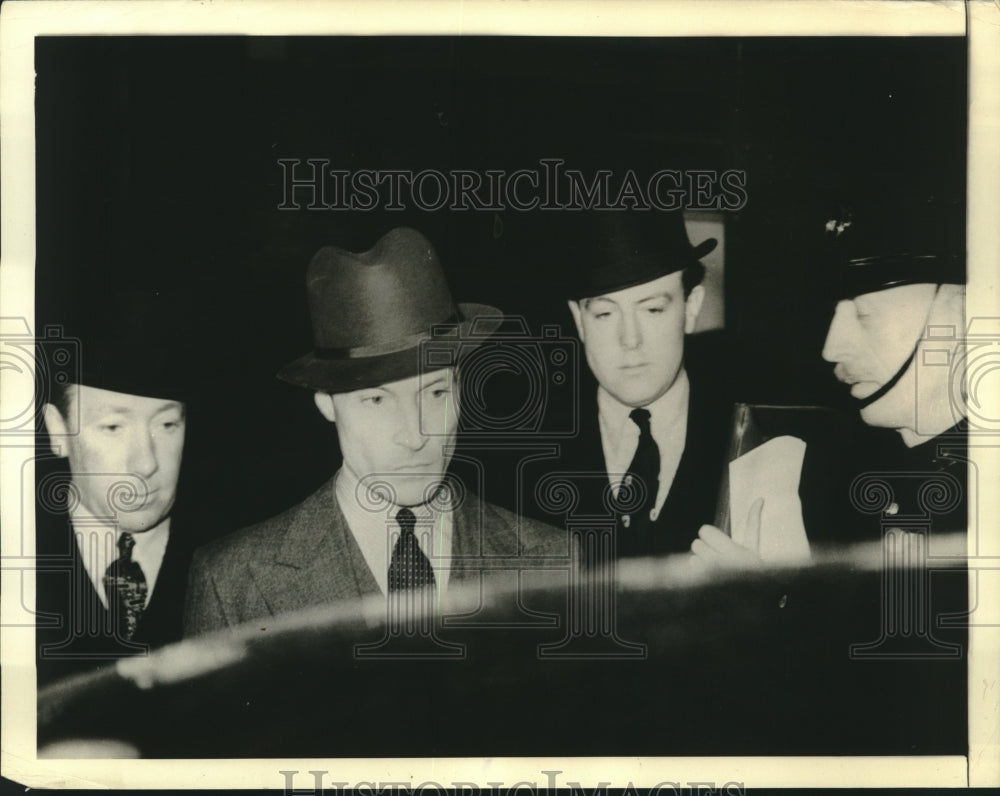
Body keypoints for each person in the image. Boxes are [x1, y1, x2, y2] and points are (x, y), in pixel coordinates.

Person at [183, 226, 568, 636]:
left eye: (436, 392)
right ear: (326, 401)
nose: (415, 435)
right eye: (378, 400)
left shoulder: (552, 562)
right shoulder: (232, 583)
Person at [691, 194, 968, 568]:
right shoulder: (845, 477)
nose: (831, 348)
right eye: (835, 315)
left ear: (962, 312)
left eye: (866, 316)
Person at [531, 210, 732, 561]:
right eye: (605, 314)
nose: (630, 340)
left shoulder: (752, 439)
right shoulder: (528, 455)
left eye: (652, 310)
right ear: (579, 320)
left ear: (691, 307)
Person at [36, 293, 195, 686]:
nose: (146, 463)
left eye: (167, 425)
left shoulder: (242, 558)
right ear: (58, 431)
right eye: (113, 428)